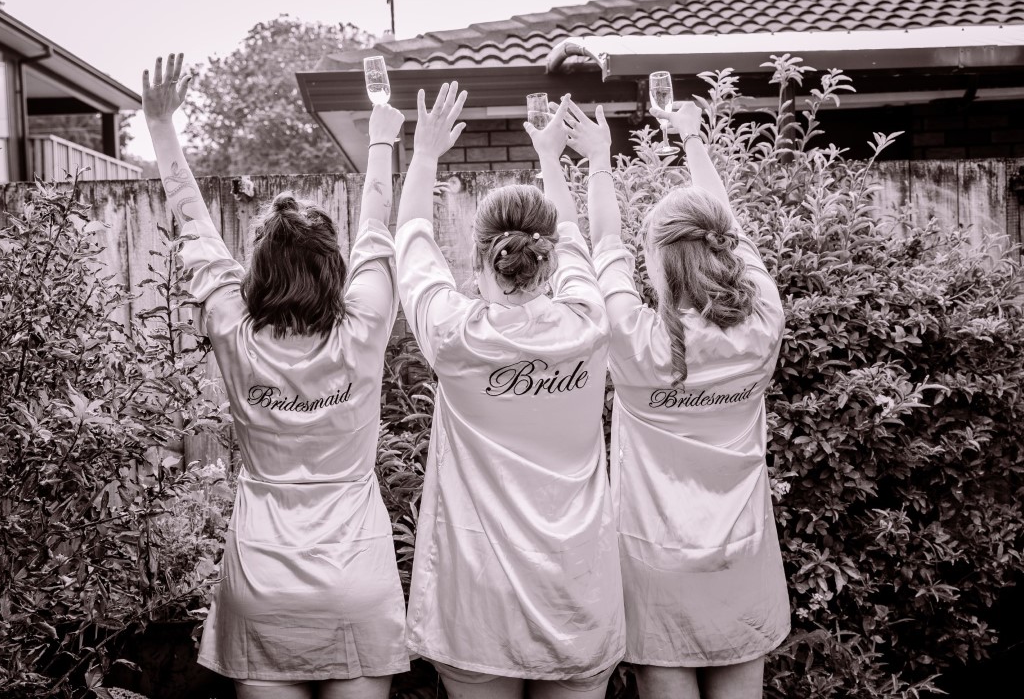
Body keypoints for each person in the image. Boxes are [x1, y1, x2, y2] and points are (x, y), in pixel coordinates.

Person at [142, 54, 410, 699]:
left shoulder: (232, 327)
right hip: (356, 575)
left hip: (261, 580)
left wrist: (160, 124)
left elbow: (192, 219)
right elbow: (377, 222)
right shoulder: (364, 327)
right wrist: (380, 139)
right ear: (333, 269)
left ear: (257, 271)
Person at [393, 83, 625, 699]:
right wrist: (551, 156)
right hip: (575, 589)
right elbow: (574, 235)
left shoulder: (453, 333)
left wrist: (423, 154)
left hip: (477, 598)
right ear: (551, 262)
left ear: (478, 259)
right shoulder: (589, 321)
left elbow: (410, 236)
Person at [565, 99, 790, 699]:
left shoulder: (633, 339)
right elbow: (732, 227)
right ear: (723, 249)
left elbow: (602, 240)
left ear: (658, 261)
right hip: (743, 555)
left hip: (655, 565)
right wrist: (692, 139)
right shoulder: (764, 322)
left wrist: (599, 161)